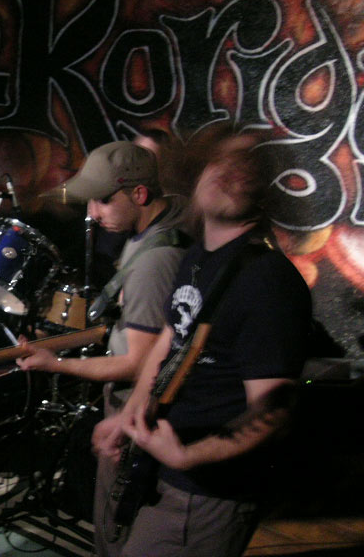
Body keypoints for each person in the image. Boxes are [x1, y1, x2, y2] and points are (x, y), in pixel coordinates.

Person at [92, 132, 312, 557]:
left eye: (247, 165)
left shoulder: (268, 280)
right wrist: (131, 413)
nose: (232, 173)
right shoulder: (199, 258)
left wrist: (187, 456)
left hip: (208, 494)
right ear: (195, 176)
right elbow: (170, 340)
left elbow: (274, 411)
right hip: (166, 474)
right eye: (221, 162)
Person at [16, 139, 191, 553]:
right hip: (137, 408)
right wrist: (54, 343)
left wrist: (56, 364)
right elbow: (124, 330)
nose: (92, 213)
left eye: (103, 201)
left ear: (139, 194)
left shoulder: (153, 262)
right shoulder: (155, 229)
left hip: (133, 409)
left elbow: (137, 364)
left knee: (113, 532)